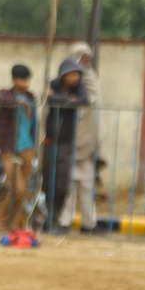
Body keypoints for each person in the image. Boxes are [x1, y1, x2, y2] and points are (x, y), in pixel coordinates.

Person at [41, 58, 90, 234]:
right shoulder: (53, 83)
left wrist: (61, 99)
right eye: (71, 74)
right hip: (49, 140)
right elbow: (48, 98)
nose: (75, 78)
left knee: (62, 184)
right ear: (63, 75)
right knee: (48, 181)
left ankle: (55, 216)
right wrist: (68, 99)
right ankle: (50, 218)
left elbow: (84, 100)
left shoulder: (80, 88)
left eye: (77, 74)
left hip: (66, 143)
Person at [59, 42, 102, 233]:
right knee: (67, 186)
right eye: (82, 56)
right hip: (68, 141)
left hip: (88, 141)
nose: (86, 60)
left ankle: (89, 223)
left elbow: (93, 102)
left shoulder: (91, 79)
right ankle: (64, 222)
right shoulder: (63, 81)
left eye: (87, 56)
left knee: (87, 185)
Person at [0, 64, 37, 233]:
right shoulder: (6, 94)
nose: (23, 83)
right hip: (8, 147)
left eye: (25, 79)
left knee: (22, 191)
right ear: (13, 79)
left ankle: (13, 224)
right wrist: (19, 102)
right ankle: (1, 221)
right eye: (19, 79)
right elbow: (3, 100)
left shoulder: (31, 97)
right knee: (17, 188)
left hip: (27, 147)